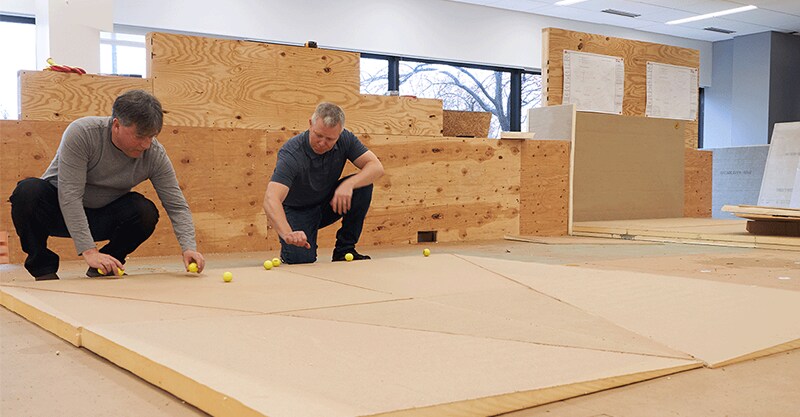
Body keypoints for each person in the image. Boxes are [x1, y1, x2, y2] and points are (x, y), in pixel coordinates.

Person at [9, 90, 205, 281]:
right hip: (58, 211)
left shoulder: (154, 153)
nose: (146, 144)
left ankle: (107, 264)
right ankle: (43, 268)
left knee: (144, 211)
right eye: (139, 136)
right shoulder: (83, 133)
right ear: (117, 125)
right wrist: (89, 250)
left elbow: (176, 206)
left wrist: (189, 247)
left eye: (151, 136)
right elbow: (70, 195)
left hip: (102, 217)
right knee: (28, 192)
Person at [263, 102, 384, 264]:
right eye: (318, 135)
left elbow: (376, 167)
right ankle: (292, 248)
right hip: (297, 210)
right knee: (301, 259)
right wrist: (287, 233)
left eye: (329, 139)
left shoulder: (346, 139)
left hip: (327, 203)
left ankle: (344, 249)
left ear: (339, 134)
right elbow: (271, 198)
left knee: (363, 186)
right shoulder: (291, 153)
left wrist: (348, 185)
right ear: (310, 124)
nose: (322, 142)